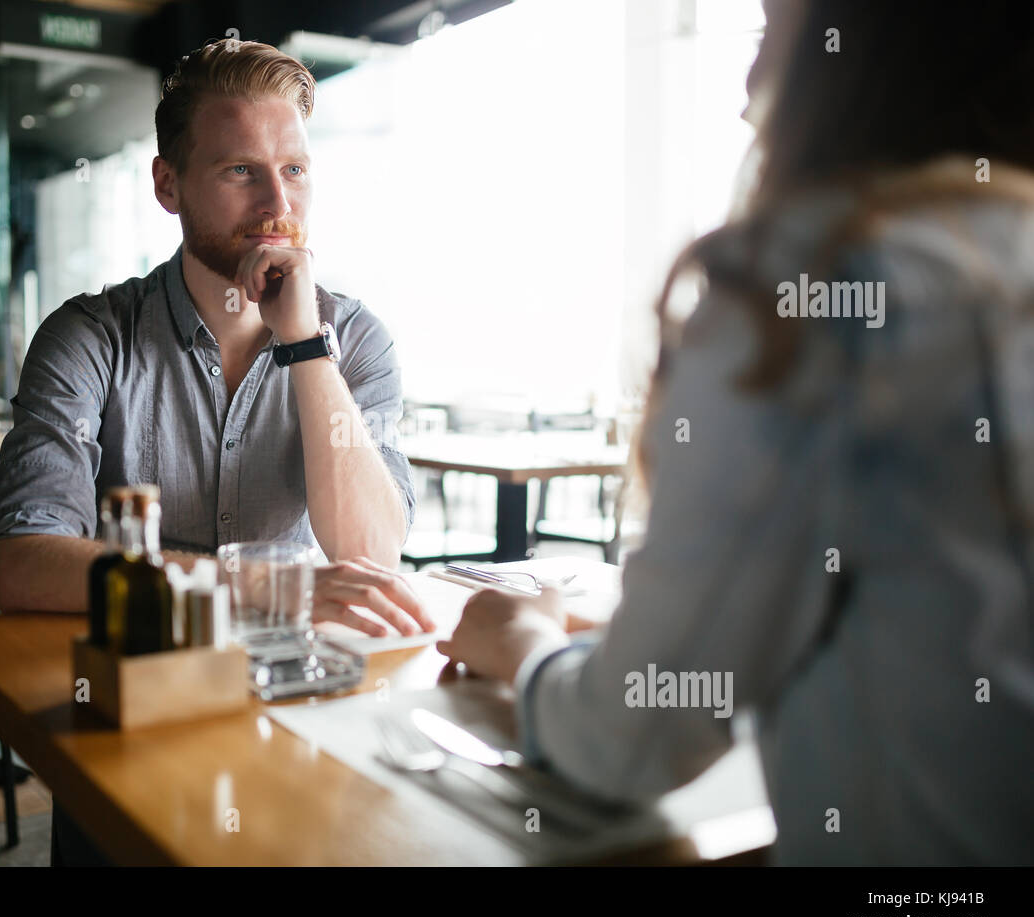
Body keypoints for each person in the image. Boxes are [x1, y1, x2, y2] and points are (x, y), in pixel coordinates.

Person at [441, 0, 1034, 864]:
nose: (750, 85)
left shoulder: (818, 283)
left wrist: (523, 643)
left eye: (768, 30)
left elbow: (635, 735)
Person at [0, 39, 436, 864]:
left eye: (293, 170)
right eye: (239, 171)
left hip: (304, 722)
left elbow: (370, 553)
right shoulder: (88, 338)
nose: (275, 202)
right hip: (134, 720)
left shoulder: (354, 340)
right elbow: (21, 562)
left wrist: (303, 345)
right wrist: (264, 586)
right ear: (167, 185)